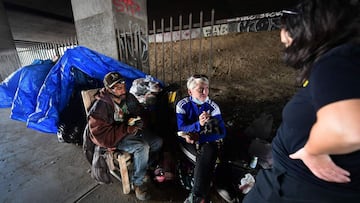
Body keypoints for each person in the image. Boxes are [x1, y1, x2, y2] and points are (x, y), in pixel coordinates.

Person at [243, 0, 360, 202]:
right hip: (293, 185)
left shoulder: (338, 59)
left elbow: (348, 129)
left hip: (299, 188)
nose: (281, 35)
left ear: (307, 27)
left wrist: (314, 150)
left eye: (284, 24)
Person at [86, 71, 163, 201]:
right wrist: (126, 128)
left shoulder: (128, 97)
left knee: (158, 142)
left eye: (123, 85)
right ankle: (137, 182)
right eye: (118, 87)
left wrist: (140, 120)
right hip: (116, 138)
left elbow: (141, 112)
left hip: (132, 131)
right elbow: (100, 135)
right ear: (109, 89)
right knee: (142, 147)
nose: (123, 89)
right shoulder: (101, 106)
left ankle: (143, 168)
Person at [176, 74, 226, 203]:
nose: (204, 92)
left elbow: (221, 132)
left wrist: (201, 136)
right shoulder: (183, 105)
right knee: (204, 160)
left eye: (207, 88)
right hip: (187, 139)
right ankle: (201, 195)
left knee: (207, 156)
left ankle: (197, 197)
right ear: (190, 91)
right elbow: (181, 127)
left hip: (205, 140)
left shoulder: (213, 107)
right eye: (200, 89)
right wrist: (198, 124)